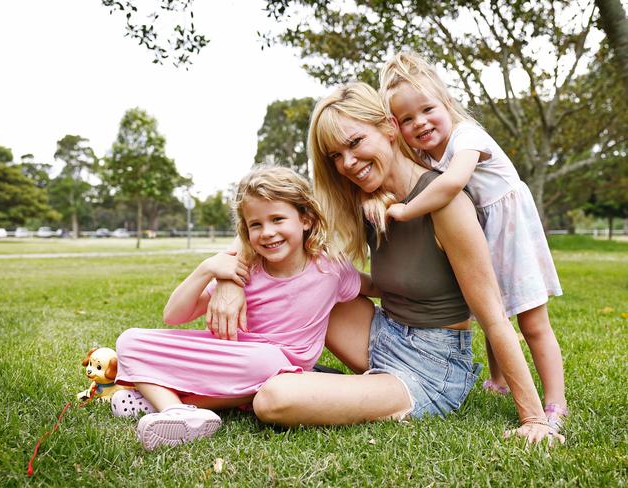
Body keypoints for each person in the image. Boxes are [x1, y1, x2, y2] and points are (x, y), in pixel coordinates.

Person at [208, 82, 563, 444]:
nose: (347, 163)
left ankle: (309, 385)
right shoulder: (366, 196)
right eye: (335, 155)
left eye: (355, 142)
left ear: (390, 127)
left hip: (431, 366)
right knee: (308, 293)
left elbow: (493, 316)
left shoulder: (445, 202)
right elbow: (275, 214)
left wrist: (534, 419)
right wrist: (229, 279)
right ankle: (292, 377)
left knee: (274, 399)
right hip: (383, 333)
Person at [369, 51, 566, 430]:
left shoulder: (467, 137)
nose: (420, 123)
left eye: (427, 109)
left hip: (510, 230)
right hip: (482, 230)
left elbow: (453, 183)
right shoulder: (428, 154)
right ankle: (499, 380)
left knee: (531, 322)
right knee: (490, 309)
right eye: (407, 119)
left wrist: (406, 211)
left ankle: (555, 400)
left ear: (447, 103)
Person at [113, 166, 370, 450]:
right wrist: (206, 268)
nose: (267, 232)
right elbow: (173, 315)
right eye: (256, 224)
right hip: (233, 357)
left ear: (306, 219)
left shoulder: (329, 268)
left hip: (279, 368)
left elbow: (370, 286)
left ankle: (167, 402)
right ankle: (175, 411)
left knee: (266, 360)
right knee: (129, 342)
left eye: (277, 219)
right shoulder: (245, 271)